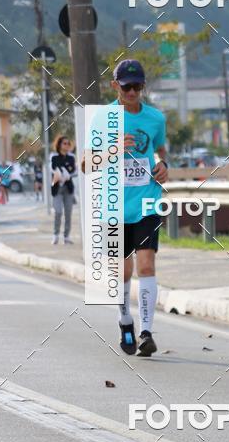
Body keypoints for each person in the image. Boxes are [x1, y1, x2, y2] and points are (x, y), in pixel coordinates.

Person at [81, 59, 168, 357]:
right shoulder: (104, 118)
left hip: (147, 202)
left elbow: (160, 148)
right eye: (126, 86)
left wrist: (163, 165)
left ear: (143, 86)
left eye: (138, 86)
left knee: (146, 265)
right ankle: (125, 320)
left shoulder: (156, 118)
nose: (132, 92)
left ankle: (146, 332)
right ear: (114, 85)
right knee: (122, 272)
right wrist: (113, 149)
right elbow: (85, 163)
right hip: (113, 207)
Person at [51, 136, 77, 244]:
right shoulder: (54, 157)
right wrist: (65, 171)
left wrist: (65, 172)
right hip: (57, 188)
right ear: (59, 145)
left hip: (68, 188)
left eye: (68, 143)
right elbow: (53, 169)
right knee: (58, 211)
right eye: (64, 143)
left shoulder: (71, 157)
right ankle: (55, 235)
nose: (67, 145)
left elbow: (74, 171)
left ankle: (66, 237)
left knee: (68, 213)